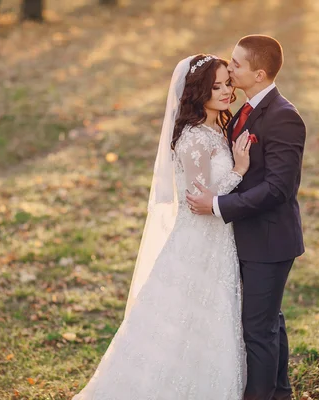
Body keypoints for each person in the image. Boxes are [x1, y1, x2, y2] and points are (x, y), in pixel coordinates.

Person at [73, 54, 253, 399]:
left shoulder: (218, 128)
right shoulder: (192, 139)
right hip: (198, 243)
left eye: (227, 82)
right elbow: (200, 200)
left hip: (219, 242)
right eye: (215, 87)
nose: (226, 90)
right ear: (197, 93)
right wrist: (239, 171)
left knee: (212, 319)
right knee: (185, 319)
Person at [186, 35, 306, 400]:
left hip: (269, 241)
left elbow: (278, 189)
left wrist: (219, 206)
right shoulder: (244, 109)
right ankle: (280, 392)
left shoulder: (284, 117)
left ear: (260, 73)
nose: (230, 66)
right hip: (246, 237)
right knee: (270, 322)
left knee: (257, 330)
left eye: (237, 64)